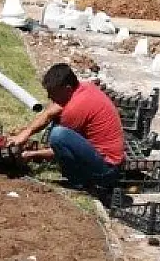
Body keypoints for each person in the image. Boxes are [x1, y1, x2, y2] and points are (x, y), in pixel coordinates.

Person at [8, 63, 125, 191]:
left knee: (58, 135)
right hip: (108, 159)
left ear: (68, 89)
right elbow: (49, 113)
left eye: (52, 93)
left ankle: (79, 181)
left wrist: (32, 154)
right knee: (57, 128)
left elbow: (60, 149)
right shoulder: (82, 88)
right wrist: (26, 132)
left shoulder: (75, 108)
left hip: (106, 170)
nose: (49, 97)